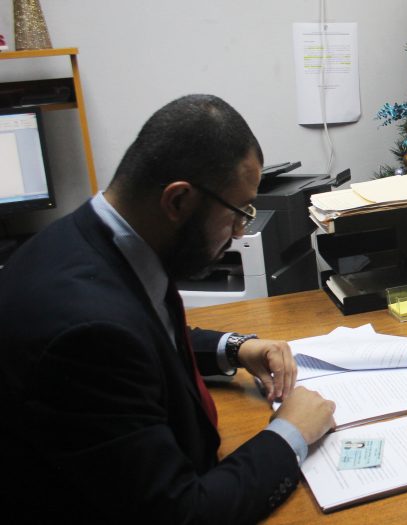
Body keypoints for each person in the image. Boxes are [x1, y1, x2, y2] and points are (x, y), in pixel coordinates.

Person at [0, 95, 336, 522]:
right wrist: (291, 432)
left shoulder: (87, 238)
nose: (239, 233)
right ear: (178, 201)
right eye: (237, 214)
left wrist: (236, 348)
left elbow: (144, 332)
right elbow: (183, 513)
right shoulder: (88, 334)